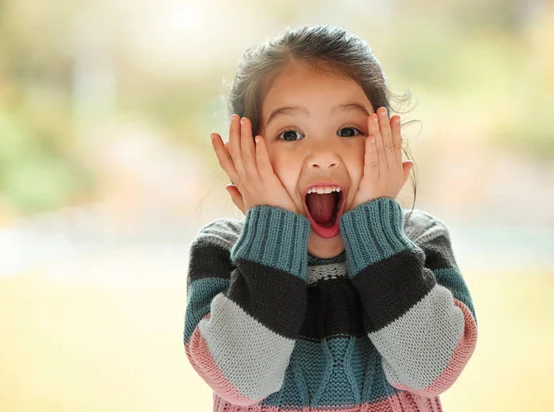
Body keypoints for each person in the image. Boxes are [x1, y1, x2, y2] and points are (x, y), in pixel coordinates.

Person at [183, 24, 478, 412]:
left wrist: (376, 231)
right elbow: (243, 379)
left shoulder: (419, 240)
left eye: (348, 130)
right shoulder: (221, 251)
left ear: (386, 142)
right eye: (290, 134)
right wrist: (273, 226)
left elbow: (432, 370)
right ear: (245, 155)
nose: (323, 154)